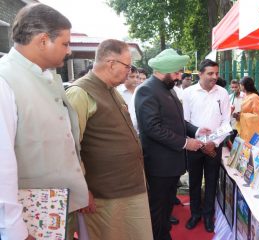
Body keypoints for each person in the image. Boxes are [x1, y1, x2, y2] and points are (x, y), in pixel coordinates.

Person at [0, 4, 88, 240]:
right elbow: (2, 165)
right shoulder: (3, 80)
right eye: (65, 43)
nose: (68, 51)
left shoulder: (45, 76)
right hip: (28, 220)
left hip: (57, 208)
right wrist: (14, 231)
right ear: (42, 41)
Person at [66, 39, 152, 240]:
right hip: (104, 195)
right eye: (127, 66)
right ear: (111, 63)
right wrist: (82, 190)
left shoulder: (112, 90)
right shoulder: (80, 93)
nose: (130, 71)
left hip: (128, 186)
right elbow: (69, 148)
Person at [135, 49, 205, 240]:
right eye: (175, 72)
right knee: (158, 209)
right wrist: (185, 143)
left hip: (171, 164)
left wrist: (196, 131)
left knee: (166, 208)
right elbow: (152, 128)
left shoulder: (168, 89)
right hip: (159, 165)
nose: (178, 76)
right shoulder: (147, 90)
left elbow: (176, 122)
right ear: (164, 70)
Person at [182, 59, 231, 233]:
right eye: (210, 73)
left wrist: (214, 143)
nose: (214, 77)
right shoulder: (188, 93)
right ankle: (195, 214)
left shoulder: (223, 93)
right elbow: (184, 121)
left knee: (211, 182)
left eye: (216, 73)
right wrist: (199, 141)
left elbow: (226, 121)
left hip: (214, 147)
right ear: (200, 74)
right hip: (194, 146)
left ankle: (208, 216)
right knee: (194, 182)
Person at [234, 77, 259, 143]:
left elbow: (258, 116)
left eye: (241, 85)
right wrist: (238, 115)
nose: (240, 87)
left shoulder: (255, 97)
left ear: (245, 86)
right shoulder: (246, 96)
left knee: (249, 149)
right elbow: (247, 111)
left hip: (251, 130)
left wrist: (241, 116)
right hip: (245, 128)